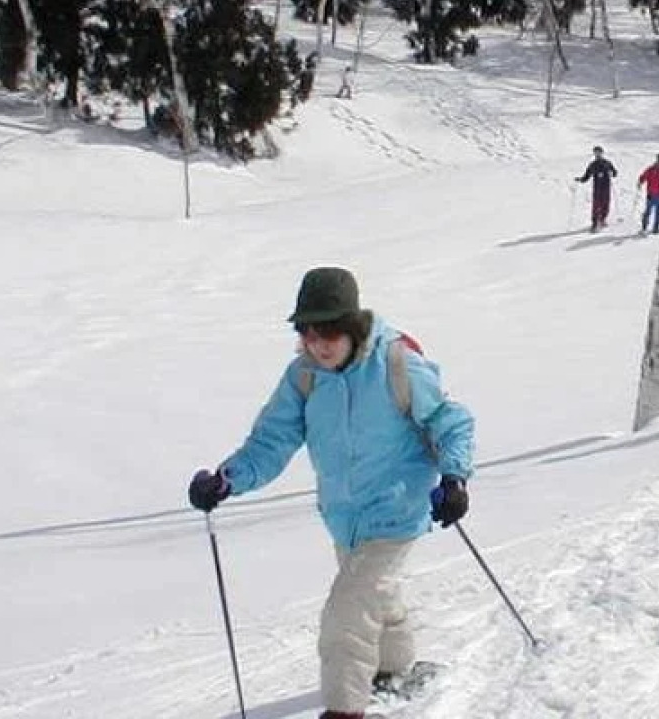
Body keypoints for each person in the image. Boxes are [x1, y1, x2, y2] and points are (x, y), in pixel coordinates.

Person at [187, 267, 475, 719]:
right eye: (309, 331)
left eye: (332, 331)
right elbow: (271, 441)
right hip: (343, 514)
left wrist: (454, 479)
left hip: (398, 508)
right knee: (375, 596)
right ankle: (395, 668)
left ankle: (346, 710)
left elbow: (449, 422)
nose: (320, 343)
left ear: (354, 326)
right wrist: (227, 479)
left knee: (347, 610)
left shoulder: (396, 365)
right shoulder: (304, 377)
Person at [575, 146, 618, 232]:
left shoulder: (607, 163)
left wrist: (612, 173)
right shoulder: (592, 165)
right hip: (597, 188)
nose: (597, 154)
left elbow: (615, 172)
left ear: (602, 153)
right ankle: (594, 223)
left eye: (599, 152)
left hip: (606, 187)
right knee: (596, 205)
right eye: (596, 152)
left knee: (605, 204)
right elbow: (586, 176)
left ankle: (602, 220)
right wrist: (580, 179)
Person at [636, 153, 659, 235]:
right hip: (651, 194)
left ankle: (656, 228)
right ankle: (644, 227)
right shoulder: (651, 169)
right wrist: (640, 182)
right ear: (656, 160)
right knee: (648, 211)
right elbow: (643, 176)